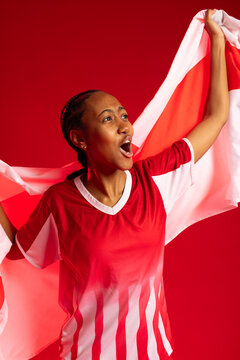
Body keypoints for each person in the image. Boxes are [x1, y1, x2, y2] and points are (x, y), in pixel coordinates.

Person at [0, 9, 229, 360]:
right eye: (108, 119)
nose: (125, 126)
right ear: (80, 139)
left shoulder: (155, 179)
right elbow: (23, 253)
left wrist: (216, 39)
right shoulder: (60, 203)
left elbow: (215, 118)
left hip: (151, 352)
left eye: (123, 114)